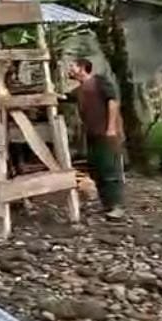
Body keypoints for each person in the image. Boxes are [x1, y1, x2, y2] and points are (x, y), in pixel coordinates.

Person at [68, 58, 126, 219]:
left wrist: (111, 127)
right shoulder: (80, 90)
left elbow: (112, 101)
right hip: (93, 134)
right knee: (97, 169)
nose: (70, 69)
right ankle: (107, 205)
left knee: (110, 168)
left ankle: (117, 206)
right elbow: (65, 98)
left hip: (107, 133)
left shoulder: (99, 82)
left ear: (82, 68)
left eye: (72, 66)